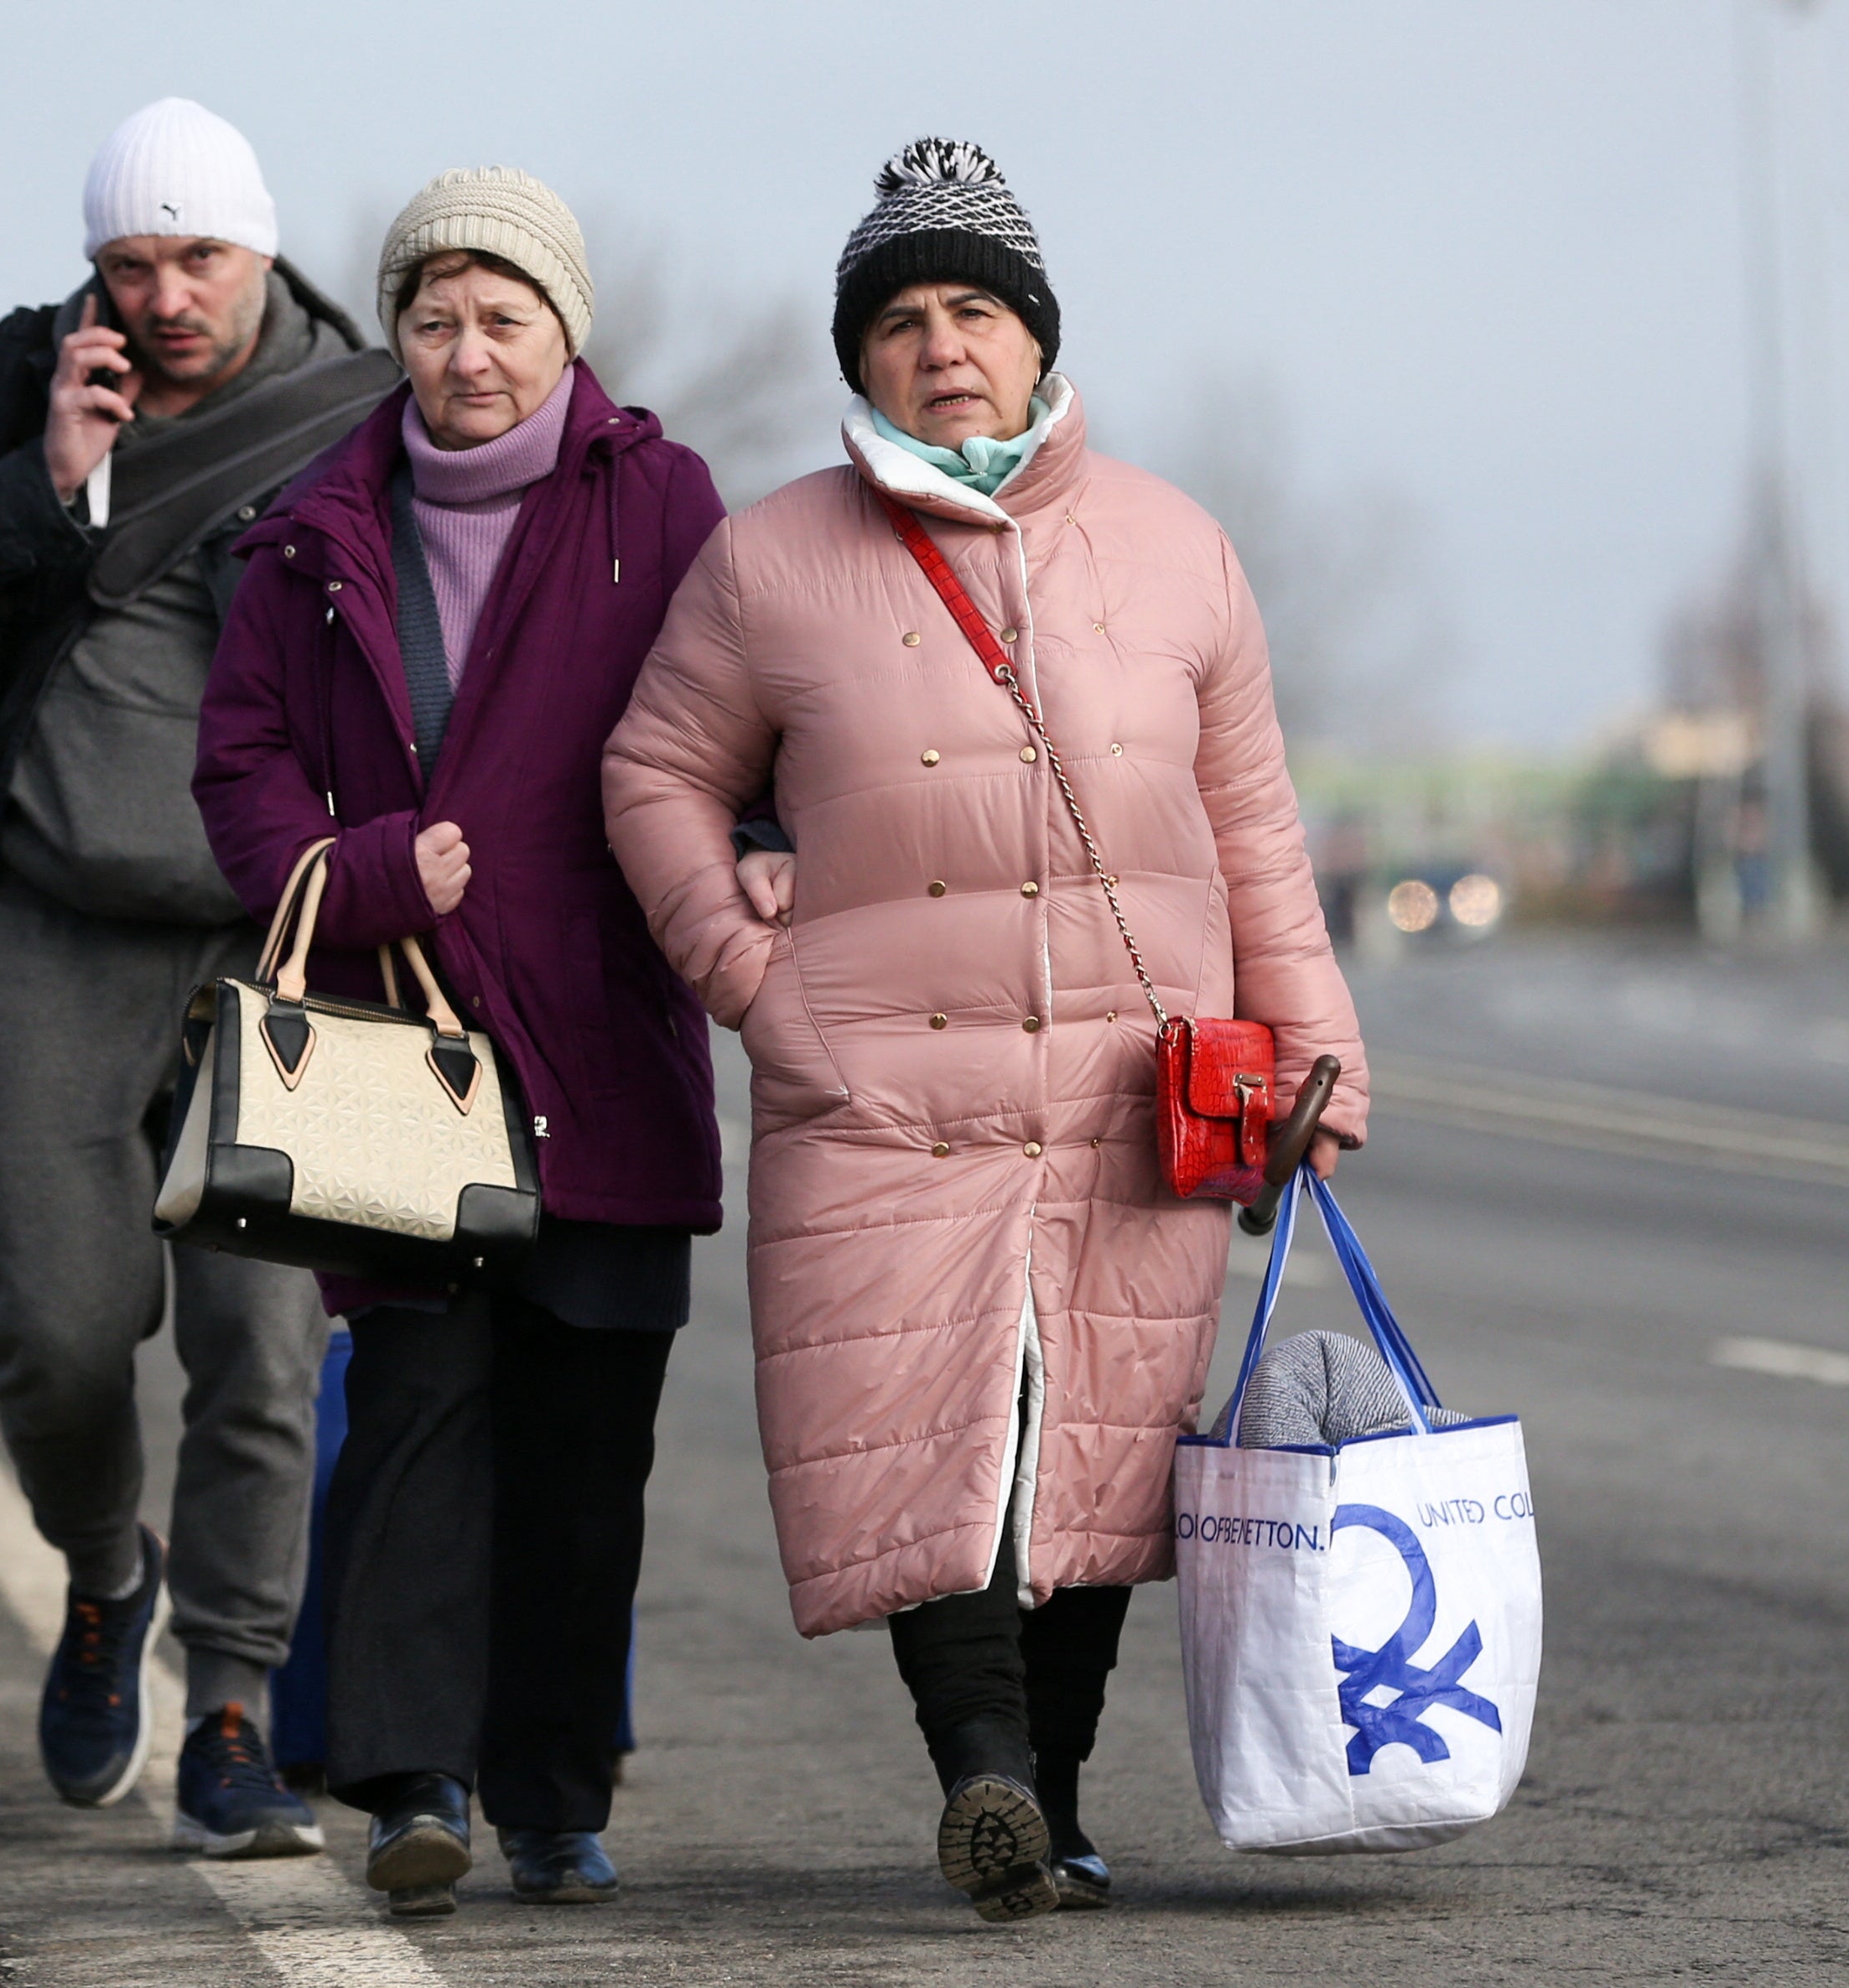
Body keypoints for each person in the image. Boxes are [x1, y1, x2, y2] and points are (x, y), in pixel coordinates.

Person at [603, 138, 1369, 1923]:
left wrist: (1312, 1056)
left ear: (1034, 336)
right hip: (879, 1094)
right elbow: (652, 773)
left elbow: (1252, 824)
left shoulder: (1176, 550)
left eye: (972, 310)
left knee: (1091, 1452)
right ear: (856, 358)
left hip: (1131, 1091)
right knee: (938, 1449)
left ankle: (1057, 1795)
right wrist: (743, 974)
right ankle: (983, 1777)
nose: (940, 345)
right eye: (898, 319)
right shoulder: (770, 562)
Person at [0, 98, 398, 1859]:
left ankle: (227, 1712)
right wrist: (45, 484)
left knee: (262, 1350)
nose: (162, 298)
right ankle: (100, 1575)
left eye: (196, 258)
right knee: (53, 1333)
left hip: (282, 934)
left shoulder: (369, 408)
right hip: (52, 918)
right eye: (128, 264)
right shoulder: (19, 377)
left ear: (261, 246)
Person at [192, 168, 725, 1919]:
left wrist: (767, 844)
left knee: (584, 1457)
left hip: (604, 1036)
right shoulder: (312, 524)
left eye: (503, 317)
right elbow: (242, 759)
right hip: (400, 1052)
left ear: (566, 331)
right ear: (394, 335)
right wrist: (348, 874)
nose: (465, 352)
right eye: (432, 317)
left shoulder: (664, 503)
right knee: (415, 1418)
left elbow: (749, 714)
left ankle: (558, 1796)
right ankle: (416, 1784)